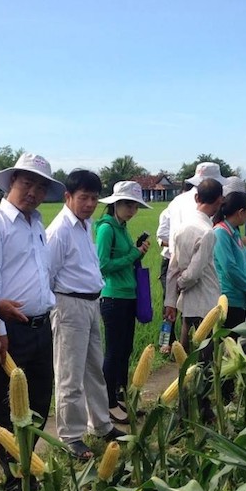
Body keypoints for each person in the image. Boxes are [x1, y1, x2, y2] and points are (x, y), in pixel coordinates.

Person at [0, 153, 62, 486]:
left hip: (41, 326)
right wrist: (0, 331)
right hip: (12, 332)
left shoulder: (36, 223)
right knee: (11, 405)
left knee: (39, 398)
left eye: (40, 186)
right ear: (11, 183)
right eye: (26, 183)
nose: (33, 192)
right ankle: (12, 476)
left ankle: (28, 465)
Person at [46, 170, 121, 458]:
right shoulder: (59, 231)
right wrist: (59, 309)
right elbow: (48, 275)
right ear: (68, 197)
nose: (90, 204)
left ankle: (101, 424)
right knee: (70, 374)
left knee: (94, 369)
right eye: (83, 198)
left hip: (91, 303)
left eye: (93, 198)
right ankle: (72, 436)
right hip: (69, 305)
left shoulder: (85, 224)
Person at [96, 181, 151, 423]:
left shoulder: (122, 227)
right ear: (115, 204)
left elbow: (126, 260)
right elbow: (103, 266)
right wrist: (134, 254)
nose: (131, 210)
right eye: (128, 204)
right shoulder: (106, 229)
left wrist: (136, 252)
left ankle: (119, 396)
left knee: (125, 350)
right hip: (113, 297)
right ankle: (108, 402)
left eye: (135, 206)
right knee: (114, 351)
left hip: (128, 296)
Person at [164, 178, 223, 346]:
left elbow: (172, 268)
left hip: (188, 302)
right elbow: (194, 274)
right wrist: (181, 284)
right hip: (206, 300)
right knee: (205, 356)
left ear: (197, 198)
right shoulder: (207, 232)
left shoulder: (181, 228)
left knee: (186, 350)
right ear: (219, 201)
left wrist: (170, 300)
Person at [213, 190, 246, 329]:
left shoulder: (235, 231)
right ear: (240, 212)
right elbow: (229, 267)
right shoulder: (221, 233)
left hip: (241, 295)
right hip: (229, 298)